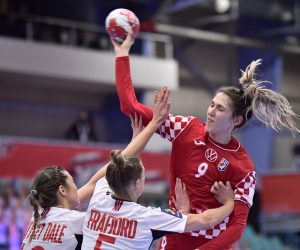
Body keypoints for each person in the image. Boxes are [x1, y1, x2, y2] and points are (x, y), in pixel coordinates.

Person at [112, 31, 299, 249]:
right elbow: (129, 106)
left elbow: (237, 228)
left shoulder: (243, 168)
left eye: (220, 109)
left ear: (236, 120)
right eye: (212, 104)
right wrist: (122, 52)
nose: (210, 111)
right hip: (174, 238)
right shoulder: (186, 128)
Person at [20, 87, 177, 250]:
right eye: (73, 182)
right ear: (62, 190)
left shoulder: (38, 218)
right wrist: (155, 123)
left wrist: (135, 141)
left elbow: (93, 183)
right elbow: (101, 180)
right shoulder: (74, 222)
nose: (77, 186)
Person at [81, 89, 235, 249]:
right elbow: (206, 220)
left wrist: (136, 139)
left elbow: (120, 166)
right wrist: (229, 203)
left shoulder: (100, 193)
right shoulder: (148, 217)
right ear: (136, 183)